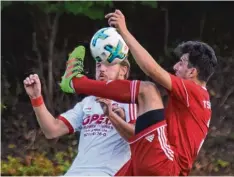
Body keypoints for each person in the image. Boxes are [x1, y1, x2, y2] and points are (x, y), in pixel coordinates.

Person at [59, 10, 217, 176]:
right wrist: (114, 117)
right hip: (161, 166)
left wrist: (124, 32)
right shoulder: (197, 101)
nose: (176, 66)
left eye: (182, 62)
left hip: (166, 163)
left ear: (193, 72)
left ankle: (76, 82)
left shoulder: (194, 91)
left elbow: (152, 70)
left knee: (148, 90)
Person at [23, 47, 137, 176]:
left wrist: (111, 116)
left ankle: (74, 81)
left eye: (108, 64)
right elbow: (52, 130)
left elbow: (137, 139)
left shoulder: (131, 101)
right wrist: (36, 98)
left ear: (123, 70)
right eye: (98, 65)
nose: (102, 69)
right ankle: (74, 81)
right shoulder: (87, 103)